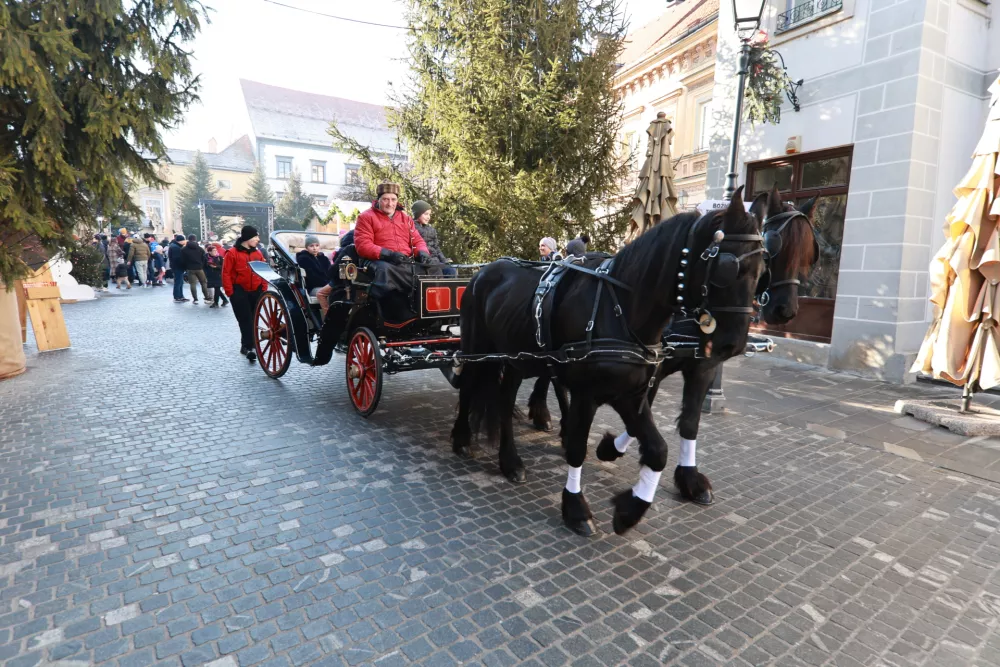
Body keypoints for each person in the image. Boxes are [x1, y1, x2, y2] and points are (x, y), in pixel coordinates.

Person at [224, 226, 267, 361]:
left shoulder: (258, 253)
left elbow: (263, 270)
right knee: (245, 319)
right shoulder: (232, 253)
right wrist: (230, 292)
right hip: (239, 290)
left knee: (253, 319)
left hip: (256, 290)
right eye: (255, 237)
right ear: (248, 238)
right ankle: (250, 347)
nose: (258, 239)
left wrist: (263, 288)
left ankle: (247, 345)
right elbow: (226, 273)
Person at [316, 230, 356, 318]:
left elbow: (332, 272)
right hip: (354, 280)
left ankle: (328, 317)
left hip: (340, 281)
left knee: (320, 294)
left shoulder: (344, 251)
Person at [412, 201, 455, 276]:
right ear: (417, 214)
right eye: (426, 214)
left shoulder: (431, 230)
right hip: (422, 261)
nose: (428, 217)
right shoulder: (412, 227)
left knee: (451, 270)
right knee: (436, 272)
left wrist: (443, 259)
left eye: (429, 214)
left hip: (436, 260)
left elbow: (436, 247)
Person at [182, 235, 209, 303]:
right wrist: (202, 265)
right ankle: (207, 297)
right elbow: (204, 258)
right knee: (203, 283)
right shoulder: (200, 248)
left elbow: (183, 260)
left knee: (192, 284)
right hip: (199, 268)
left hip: (190, 268)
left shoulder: (184, 249)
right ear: (195, 239)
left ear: (188, 239)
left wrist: (185, 267)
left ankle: (195, 299)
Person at [168, 234, 188, 302]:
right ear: (180, 241)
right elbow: (177, 259)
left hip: (177, 267)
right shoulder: (176, 247)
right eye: (184, 240)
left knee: (180, 282)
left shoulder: (175, 246)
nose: (185, 241)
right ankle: (177, 296)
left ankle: (180, 296)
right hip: (177, 267)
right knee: (178, 282)